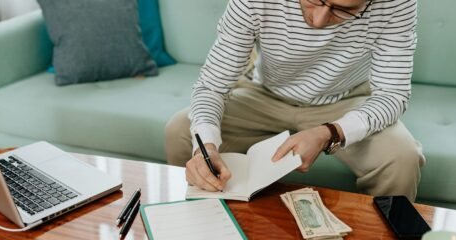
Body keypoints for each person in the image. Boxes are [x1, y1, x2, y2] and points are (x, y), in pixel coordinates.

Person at [165, 0, 425, 203]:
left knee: (402, 158)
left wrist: (330, 133)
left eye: (344, 10)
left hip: (346, 101)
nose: (320, 20)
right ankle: (201, 226)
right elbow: (212, 85)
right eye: (314, 0)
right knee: (181, 131)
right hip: (263, 95)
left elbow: (392, 94)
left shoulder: (396, 4)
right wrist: (205, 150)